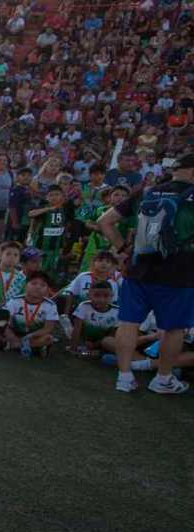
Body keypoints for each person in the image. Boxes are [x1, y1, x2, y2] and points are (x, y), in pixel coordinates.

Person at [98, 151, 194, 394]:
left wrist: (123, 249)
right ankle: (163, 379)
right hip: (179, 274)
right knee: (174, 329)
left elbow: (105, 221)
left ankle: (124, 377)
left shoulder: (148, 192)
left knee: (128, 323)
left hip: (138, 269)